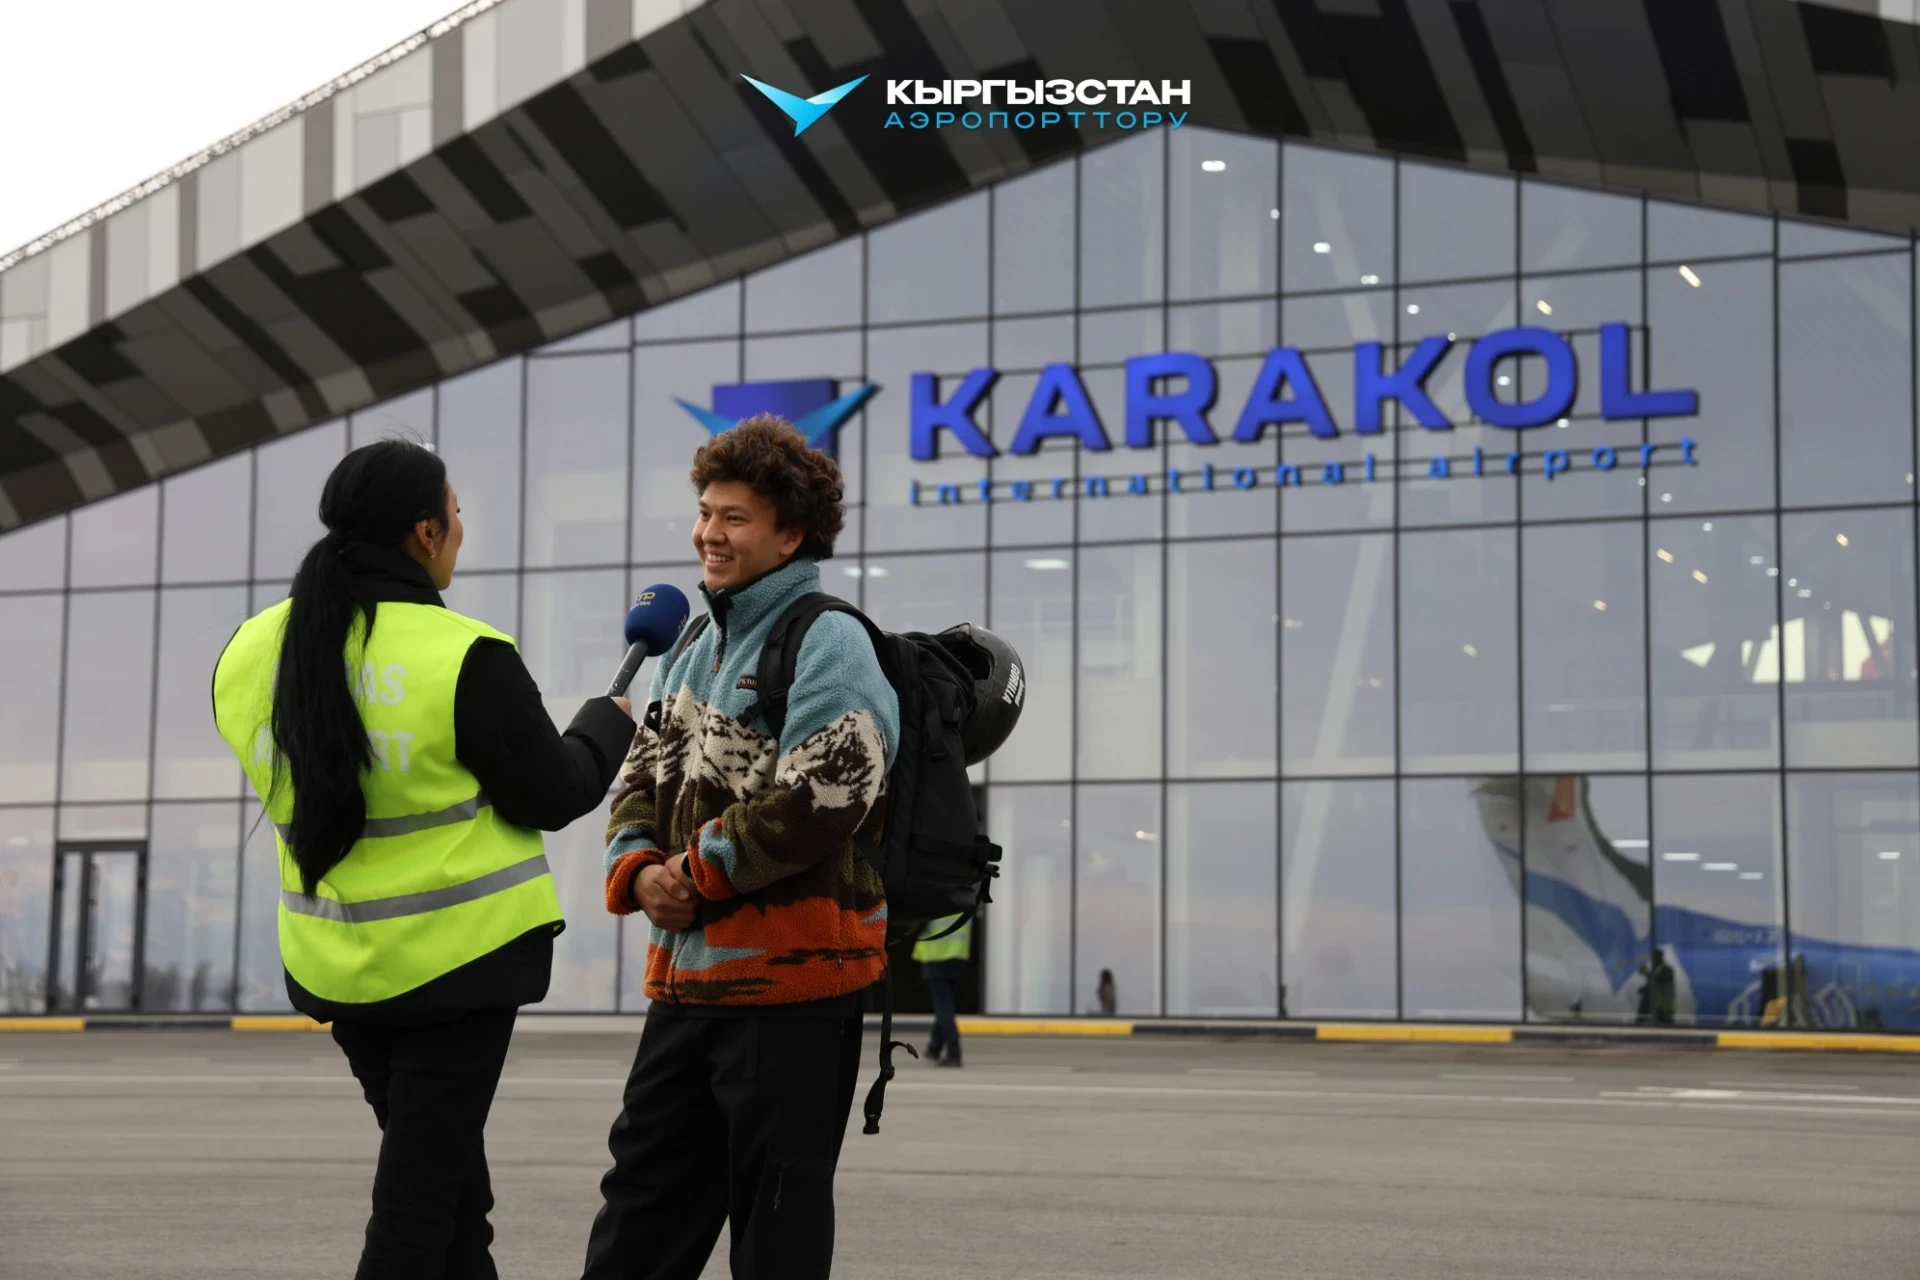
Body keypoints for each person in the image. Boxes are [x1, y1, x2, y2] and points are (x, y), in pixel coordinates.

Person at [212, 439, 635, 1279]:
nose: (461, 529)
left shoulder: (252, 649)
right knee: (418, 1203)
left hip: (337, 961)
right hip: (458, 966)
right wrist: (606, 726)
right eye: (455, 512)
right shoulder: (463, 654)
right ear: (425, 533)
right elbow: (553, 793)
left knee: (449, 1197)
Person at [583, 416, 900, 1280]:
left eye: (734, 518)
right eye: (705, 513)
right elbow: (640, 776)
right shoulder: (693, 642)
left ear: (790, 536)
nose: (708, 534)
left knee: (776, 1237)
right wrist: (637, 870)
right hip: (685, 988)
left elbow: (829, 792)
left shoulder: (829, 639)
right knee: (636, 1222)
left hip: (794, 993)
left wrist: (693, 872)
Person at [914, 914, 972, 1068]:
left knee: (943, 1007)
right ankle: (935, 1047)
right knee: (946, 1005)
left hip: (936, 955)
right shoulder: (966, 899)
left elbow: (918, 925)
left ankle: (954, 1052)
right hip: (959, 954)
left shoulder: (934, 898)